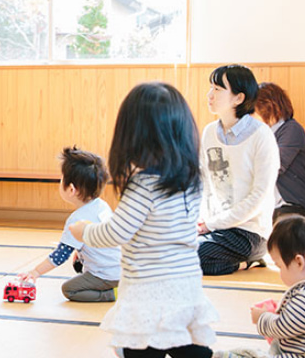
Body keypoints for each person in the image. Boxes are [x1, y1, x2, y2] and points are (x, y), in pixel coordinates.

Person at [70, 82, 218, 358]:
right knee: (183, 342)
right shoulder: (192, 179)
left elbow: (116, 232)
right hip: (186, 283)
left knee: (138, 348)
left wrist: (85, 231)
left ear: (134, 137)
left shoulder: (145, 185)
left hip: (150, 290)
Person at [221, 216, 305, 357]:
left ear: (299, 262)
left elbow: (281, 328)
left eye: (280, 266)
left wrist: (262, 317)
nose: (280, 273)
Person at [198, 65, 280, 276]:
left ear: (238, 98)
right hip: (215, 227)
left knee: (195, 255)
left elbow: (259, 198)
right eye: (211, 88)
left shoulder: (261, 136)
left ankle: (249, 261)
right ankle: (237, 260)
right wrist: (199, 221)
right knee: (169, 249)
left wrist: (212, 224)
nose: (210, 95)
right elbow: (202, 183)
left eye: (217, 89)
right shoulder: (209, 132)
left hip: (249, 232)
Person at [18, 147, 121, 302]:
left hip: (105, 275)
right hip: (121, 270)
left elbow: (60, 256)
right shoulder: (102, 205)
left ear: (71, 189)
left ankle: (111, 294)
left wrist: (35, 272)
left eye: (62, 179)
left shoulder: (76, 221)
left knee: (69, 290)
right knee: (78, 262)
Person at [255, 82, 305, 222]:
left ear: (269, 106)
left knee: (278, 235)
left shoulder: (291, 129)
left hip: (297, 205)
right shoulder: (263, 131)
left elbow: (275, 166)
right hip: (273, 207)